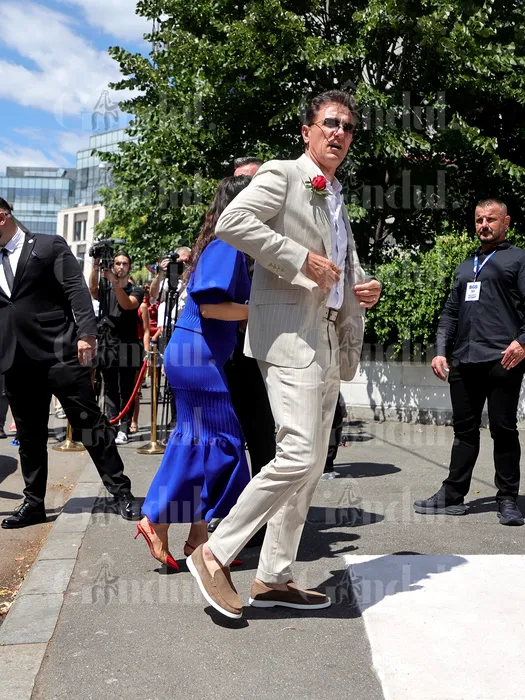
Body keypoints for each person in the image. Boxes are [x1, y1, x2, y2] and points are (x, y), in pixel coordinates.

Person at [186, 90, 381, 619]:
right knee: (296, 453)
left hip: (327, 338)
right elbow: (232, 222)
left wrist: (362, 287)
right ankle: (215, 551)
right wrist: (299, 259)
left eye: (348, 127)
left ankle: (274, 575)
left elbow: (341, 263)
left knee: (311, 464)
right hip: (288, 337)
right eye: (330, 123)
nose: (339, 133)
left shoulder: (336, 194)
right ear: (307, 131)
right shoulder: (283, 174)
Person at [0, 197, 139, 528]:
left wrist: (87, 334)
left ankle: (121, 492)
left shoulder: (47, 246)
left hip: (60, 353)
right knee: (30, 436)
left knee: (90, 426)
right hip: (16, 359)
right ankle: (34, 503)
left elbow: (76, 289)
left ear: (2, 217)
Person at [136, 176, 252, 571]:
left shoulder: (222, 243)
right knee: (221, 442)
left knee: (203, 442)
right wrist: (260, 311)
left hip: (196, 353)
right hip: (196, 355)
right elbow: (210, 307)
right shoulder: (228, 243)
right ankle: (158, 518)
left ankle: (197, 536)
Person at [414, 199, 525, 526]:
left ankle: (507, 499)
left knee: (503, 429)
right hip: (464, 361)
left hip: (502, 359)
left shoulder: (518, 259)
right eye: (479, 220)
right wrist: (440, 350)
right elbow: (450, 312)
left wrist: (522, 342)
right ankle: (453, 494)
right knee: (464, 431)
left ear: (506, 222)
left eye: (491, 219)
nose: (484, 226)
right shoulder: (467, 265)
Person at [89, 252, 144, 445]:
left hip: (128, 344)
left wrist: (115, 282)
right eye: (117, 263)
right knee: (109, 388)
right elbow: (92, 289)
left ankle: (124, 427)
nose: (120, 266)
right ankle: (112, 424)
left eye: (124, 263)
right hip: (107, 343)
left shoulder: (135, 289)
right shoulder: (106, 288)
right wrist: (95, 267)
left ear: (130, 267)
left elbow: (127, 304)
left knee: (126, 389)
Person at [130, 287, 150, 433]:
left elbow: (146, 330)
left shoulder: (142, 307)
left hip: (135, 347)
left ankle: (134, 420)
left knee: (134, 388)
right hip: (119, 346)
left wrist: (146, 351)